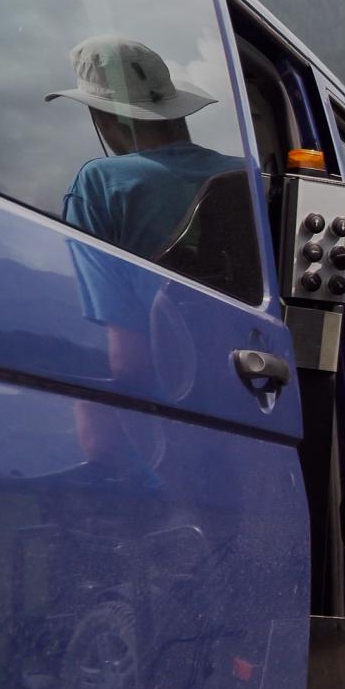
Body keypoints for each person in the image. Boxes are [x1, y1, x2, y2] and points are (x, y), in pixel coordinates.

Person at [46, 35, 247, 468]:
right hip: (254, 403)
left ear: (102, 117)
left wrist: (112, 457)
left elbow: (121, 357)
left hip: (171, 435)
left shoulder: (99, 185)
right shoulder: (249, 177)